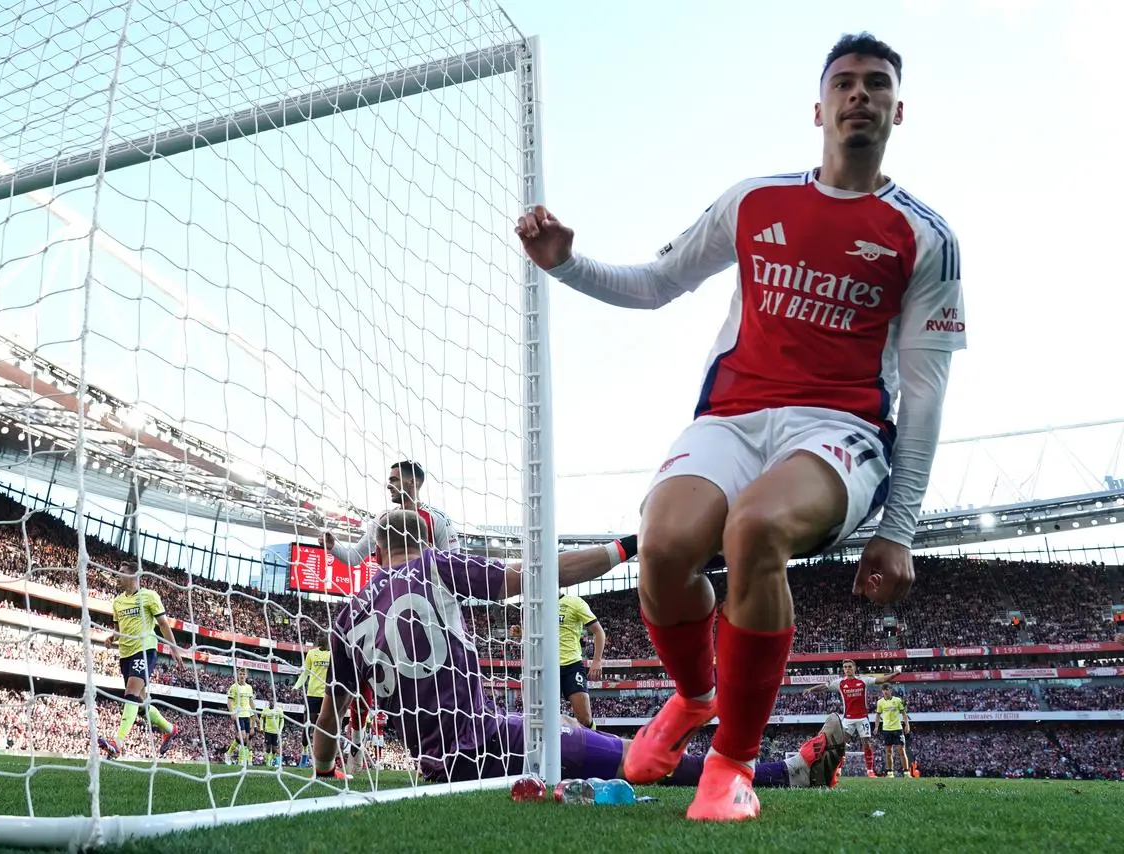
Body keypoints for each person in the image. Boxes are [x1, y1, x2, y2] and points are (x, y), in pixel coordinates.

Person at [515, 32, 965, 821]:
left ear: (899, 109)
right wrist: (565, 264)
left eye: (877, 84)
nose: (860, 95)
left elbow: (925, 391)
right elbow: (658, 281)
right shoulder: (756, 201)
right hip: (730, 417)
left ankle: (732, 765)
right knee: (661, 547)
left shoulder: (925, 237)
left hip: (840, 430)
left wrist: (901, 529)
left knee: (753, 532)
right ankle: (693, 700)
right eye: (846, 83)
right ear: (818, 106)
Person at [310, 510, 846, 792]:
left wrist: (325, 771)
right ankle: (785, 775)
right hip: (487, 742)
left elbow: (330, 716)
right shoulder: (435, 567)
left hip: (439, 761)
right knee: (629, 759)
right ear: (425, 543)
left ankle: (773, 770)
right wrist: (631, 546)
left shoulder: (346, 616)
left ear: (375, 551)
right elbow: (540, 576)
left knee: (603, 746)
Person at [97, 562, 183, 759]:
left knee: (131, 694)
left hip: (145, 650)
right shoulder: (117, 601)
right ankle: (170, 729)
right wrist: (112, 637)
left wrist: (174, 649)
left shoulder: (150, 596)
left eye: (121, 573)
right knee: (141, 704)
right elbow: (119, 629)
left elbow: (162, 624)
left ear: (134, 576)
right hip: (125, 654)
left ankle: (117, 743)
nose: (117, 576)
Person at [323, 461, 460, 567]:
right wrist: (332, 547)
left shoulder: (437, 519)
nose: (389, 486)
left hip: (424, 599)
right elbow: (353, 558)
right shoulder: (382, 519)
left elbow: (453, 564)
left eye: (394, 480)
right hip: (390, 595)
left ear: (412, 482)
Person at [803, 659, 900, 776]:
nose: (847, 669)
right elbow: (824, 687)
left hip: (862, 718)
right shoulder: (840, 683)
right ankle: (838, 769)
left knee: (866, 743)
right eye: (845, 667)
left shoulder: (863, 680)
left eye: (849, 666)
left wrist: (896, 673)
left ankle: (870, 771)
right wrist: (811, 689)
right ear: (843, 669)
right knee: (841, 743)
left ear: (854, 668)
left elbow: (883, 679)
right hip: (848, 718)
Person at [558, 591, 606, 728]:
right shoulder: (537, 606)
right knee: (546, 716)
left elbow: (598, 631)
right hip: (547, 668)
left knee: (584, 719)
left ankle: (593, 744)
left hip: (571, 665)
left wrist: (596, 661)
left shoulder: (575, 602)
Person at [294, 634, 331, 735]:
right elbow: (306, 672)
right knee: (308, 722)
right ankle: (305, 743)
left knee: (324, 724)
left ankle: (317, 745)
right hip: (312, 693)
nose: (319, 639)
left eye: (321, 637)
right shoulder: (311, 653)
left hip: (326, 694)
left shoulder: (332, 655)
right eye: (318, 637)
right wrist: (296, 686)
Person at [875, 684, 911, 777]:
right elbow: (878, 715)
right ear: (882, 692)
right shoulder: (880, 702)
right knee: (888, 752)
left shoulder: (897, 700)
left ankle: (906, 772)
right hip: (886, 729)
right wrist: (876, 727)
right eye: (883, 690)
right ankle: (890, 772)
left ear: (890, 690)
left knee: (901, 750)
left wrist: (907, 725)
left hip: (897, 728)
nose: (885, 692)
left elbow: (903, 713)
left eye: (887, 689)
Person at [225, 668, 255, 765]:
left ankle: (231, 754)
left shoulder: (249, 687)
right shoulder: (234, 687)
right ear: (237, 675)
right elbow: (229, 702)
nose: (242, 676)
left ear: (246, 676)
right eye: (240, 674)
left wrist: (255, 715)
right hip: (238, 715)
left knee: (246, 738)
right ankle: (239, 760)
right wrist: (232, 712)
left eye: (243, 674)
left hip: (247, 715)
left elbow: (251, 702)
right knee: (242, 736)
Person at [258, 696, 285, 768]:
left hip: (276, 732)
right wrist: (261, 727)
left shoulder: (279, 710)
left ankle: (271, 759)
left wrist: (280, 730)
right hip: (268, 731)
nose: (271, 702)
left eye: (273, 701)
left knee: (274, 749)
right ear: (269, 702)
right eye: (270, 701)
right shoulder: (265, 710)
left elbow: (282, 720)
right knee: (268, 747)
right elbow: (261, 718)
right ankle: (268, 762)